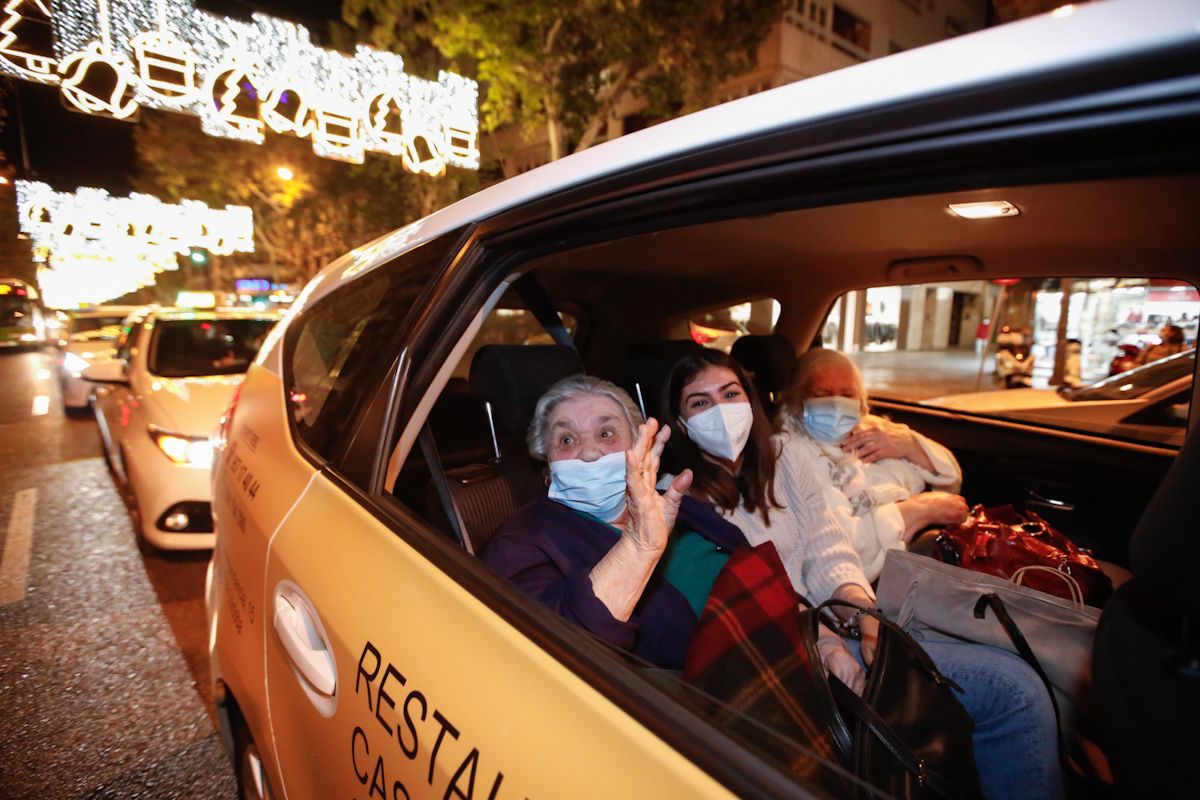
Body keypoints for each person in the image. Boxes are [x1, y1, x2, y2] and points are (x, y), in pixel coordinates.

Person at [664, 348, 1062, 800]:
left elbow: (827, 548)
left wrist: (867, 615)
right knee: (1013, 690)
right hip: (786, 649)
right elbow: (746, 590)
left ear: (751, 401)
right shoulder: (681, 495)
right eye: (700, 402)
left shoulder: (785, 455)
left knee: (1013, 664)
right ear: (680, 424)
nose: (721, 411)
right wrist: (830, 643)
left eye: (730, 394)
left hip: (839, 617)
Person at [481, 375, 748, 670]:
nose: (589, 452)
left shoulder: (672, 501)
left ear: (638, 444)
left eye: (606, 434)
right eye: (567, 440)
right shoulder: (521, 542)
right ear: (548, 460)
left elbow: (751, 561)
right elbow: (558, 655)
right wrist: (639, 547)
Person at [778, 347, 967, 581]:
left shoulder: (870, 427)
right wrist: (922, 510)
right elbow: (841, 547)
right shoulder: (789, 453)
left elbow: (951, 475)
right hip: (885, 580)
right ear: (797, 400)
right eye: (822, 394)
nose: (837, 403)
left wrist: (910, 446)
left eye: (847, 394)